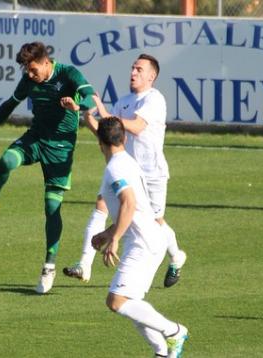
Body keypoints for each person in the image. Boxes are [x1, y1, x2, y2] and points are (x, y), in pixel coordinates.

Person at [0, 41, 97, 294]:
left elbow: (91, 97)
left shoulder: (68, 74)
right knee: (6, 161)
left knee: (51, 207)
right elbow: (9, 104)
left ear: (45, 62)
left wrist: (78, 106)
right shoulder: (29, 81)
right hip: (36, 138)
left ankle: (49, 265)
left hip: (61, 148)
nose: (29, 74)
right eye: (26, 69)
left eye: (33, 69)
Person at [63, 54, 187, 287]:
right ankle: (84, 264)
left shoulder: (154, 99)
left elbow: (137, 127)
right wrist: (85, 112)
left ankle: (176, 255)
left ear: (152, 76)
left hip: (151, 173)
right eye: (132, 68)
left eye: (139, 69)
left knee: (155, 221)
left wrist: (101, 108)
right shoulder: (124, 101)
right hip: (126, 169)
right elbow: (107, 132)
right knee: (101, 203)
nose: (133, 72)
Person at [91, 116, 188, 358]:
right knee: (131, 303)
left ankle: (174, 331)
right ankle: (163, 353)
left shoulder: (115, 167)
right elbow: (133, 209)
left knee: (116, 301)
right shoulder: (126, 161)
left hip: (143, 243)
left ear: (99, 143)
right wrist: (108, 232)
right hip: (149, 239)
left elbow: (129, 203)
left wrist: (115, 238)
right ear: (124, 138)